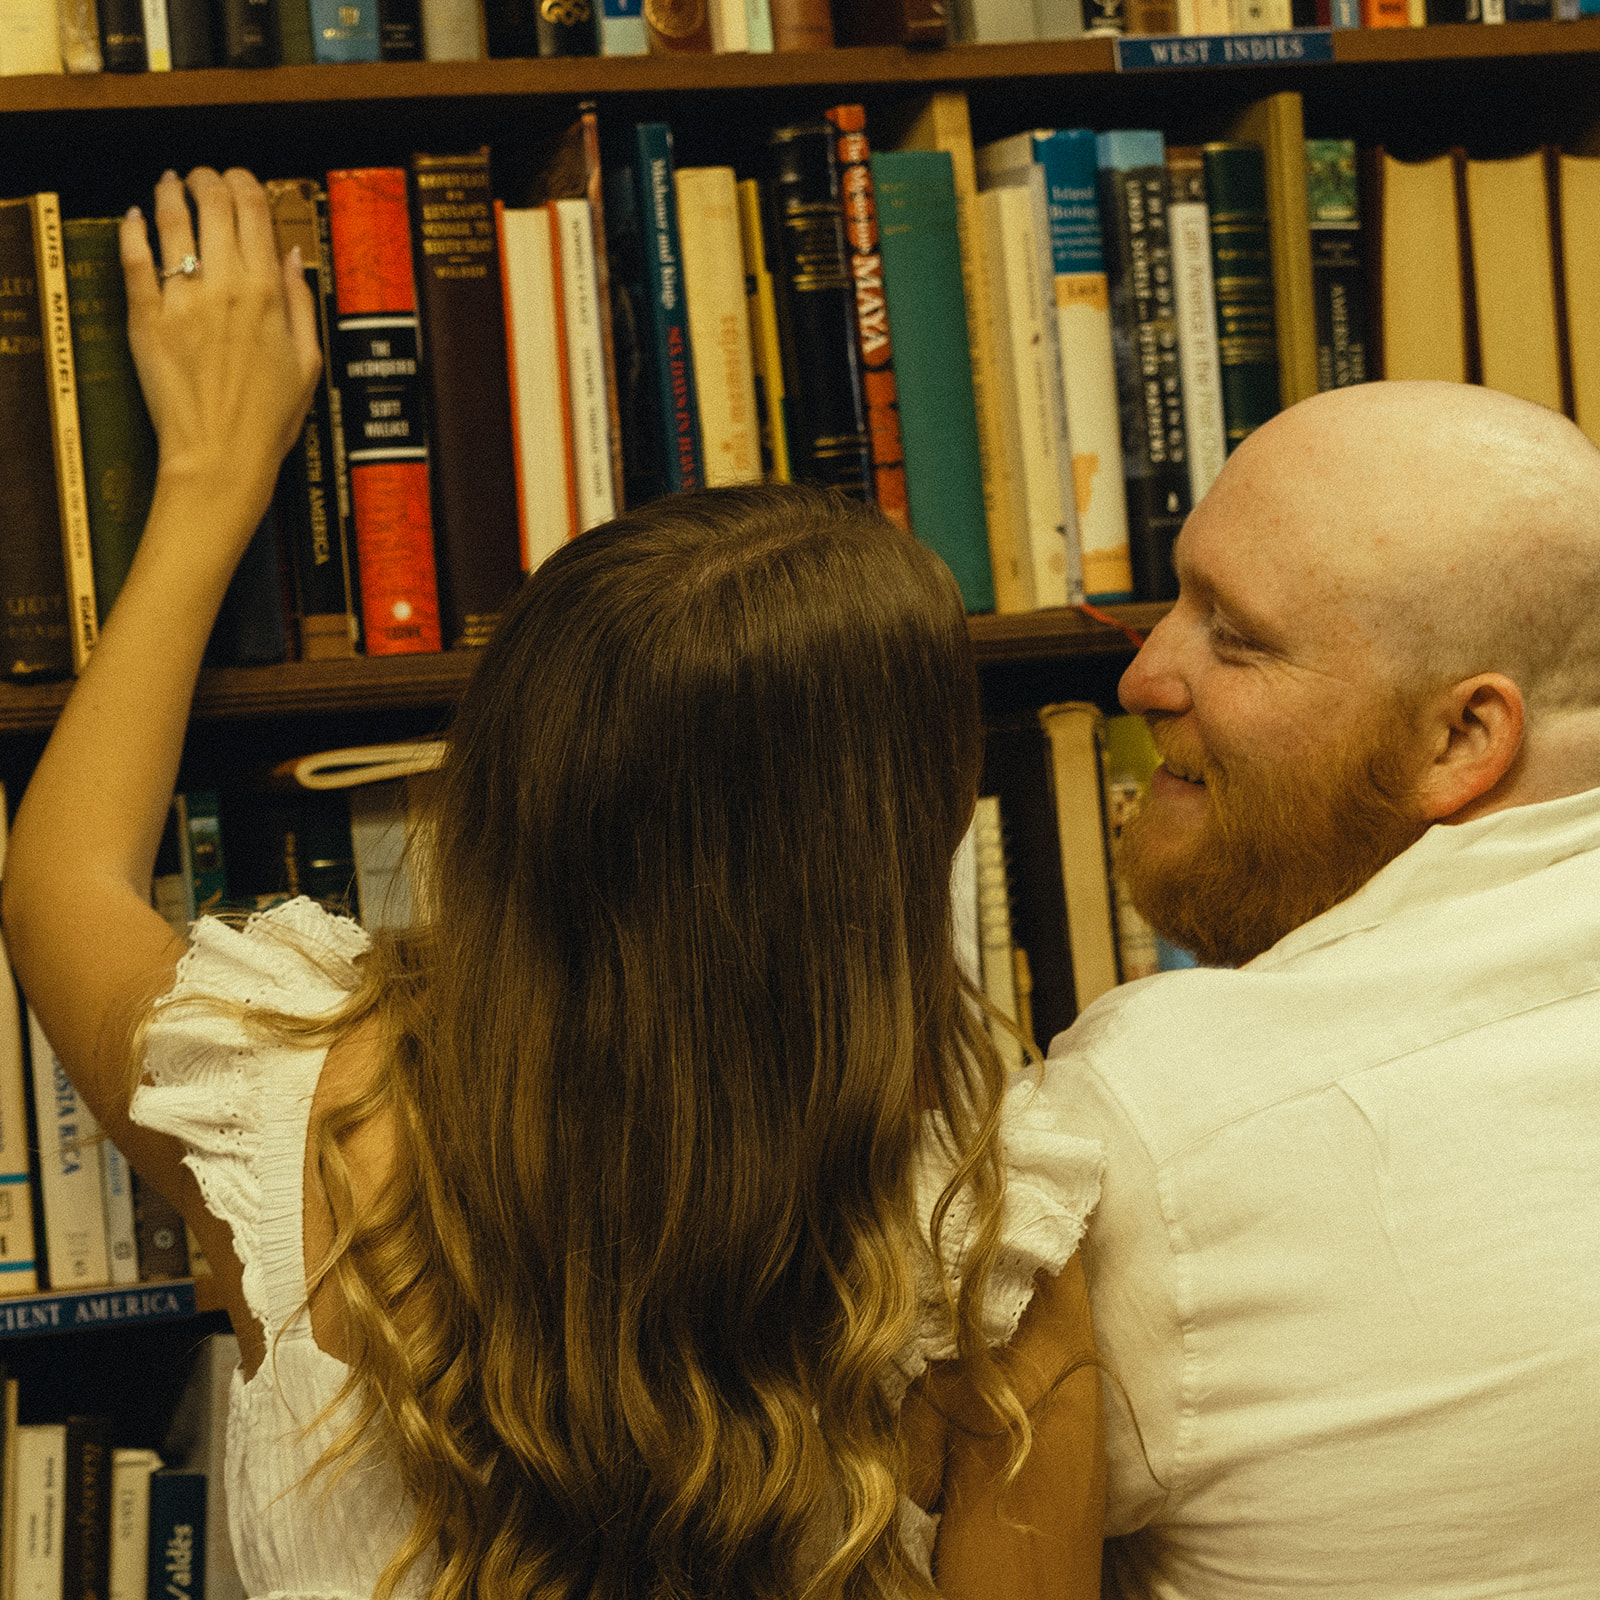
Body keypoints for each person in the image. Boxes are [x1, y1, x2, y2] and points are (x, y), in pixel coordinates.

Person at [1, 168, 1106, 1600]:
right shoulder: (981, 1243)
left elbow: (58, 881)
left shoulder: (301, 1116)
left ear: (506, 778)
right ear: (902, 838)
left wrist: (210, 480)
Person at [1049, 379, 1600, 1597]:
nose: (1142, 674)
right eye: (1175, 597)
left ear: (1462, 739)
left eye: (1234, 636)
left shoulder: (1156, 1117)